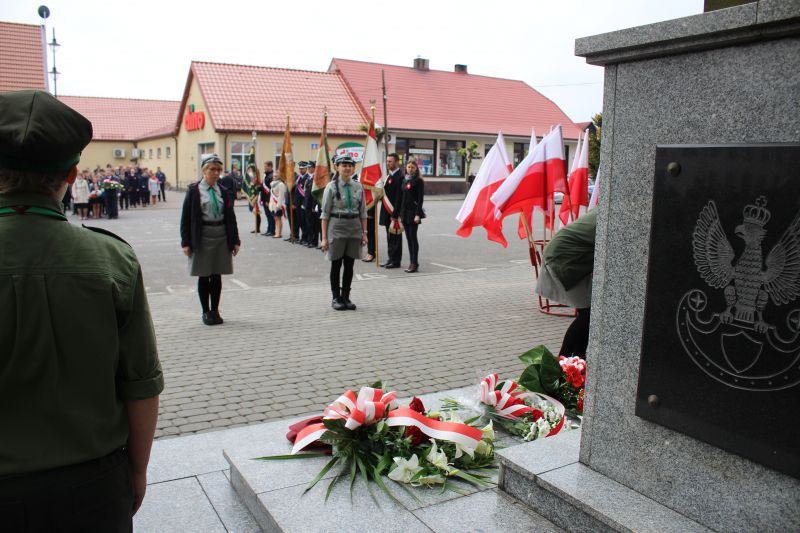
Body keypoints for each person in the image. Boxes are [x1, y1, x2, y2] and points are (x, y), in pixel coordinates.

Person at [0, 89, 163, 531]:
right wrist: (137, 470)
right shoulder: (111, 259)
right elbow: (141, 384)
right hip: (92, 488)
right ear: (72, 175)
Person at [180, 154, 240, 325]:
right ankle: (205, 311)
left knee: (216, 275)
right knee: (204, 274)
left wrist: (235, 241)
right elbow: (185, 218)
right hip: (203, 237)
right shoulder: (194, 191)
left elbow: (231, 217)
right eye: (212, 169)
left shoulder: (224, 191)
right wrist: (185, 242)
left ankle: (215, 310)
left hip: (221, 236)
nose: (215, 173)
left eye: (218, 170)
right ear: (204, 170)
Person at [536, 209, 597, 358]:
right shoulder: (612, 216)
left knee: (587, 313)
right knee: (588, 314)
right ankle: (562, 361)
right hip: (563, 260)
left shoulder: (605, 211)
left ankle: (578, 358)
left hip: (572, 258)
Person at [320, 155, 368, 310]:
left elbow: (363, 212)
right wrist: (324, 238)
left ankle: (346, 297)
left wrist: (364, 233)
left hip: (354, 227)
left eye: (350, 165)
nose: (347, 168)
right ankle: (336, 298)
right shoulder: (331, 187)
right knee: (336, 263)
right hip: (337, 226)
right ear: (337, 167)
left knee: (349, 264)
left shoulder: (358, 187)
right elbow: (325, 214)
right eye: (344, 165)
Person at [399, 158, 425, 273]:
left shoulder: (418, 181)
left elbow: (420, 199)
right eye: (408, 167)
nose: (410, 169)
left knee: (413, 237)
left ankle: (414, 263)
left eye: (412, 167)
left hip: (413, 213)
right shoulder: (405, 180)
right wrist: (400, 214)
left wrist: (418, 214)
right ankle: (411, 262)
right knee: (408, 238)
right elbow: (403, 198)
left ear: (416, 169)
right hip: (405, 213)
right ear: (406, 168)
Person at [380, 153, 404, 268]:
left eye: (390, 161)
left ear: (397, 162)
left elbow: (399, 197)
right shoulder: (389, 176)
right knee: (389, 237)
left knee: (396, 238)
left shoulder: (400, 177)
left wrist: (395, 214)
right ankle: (390, 258)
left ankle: (396, 260)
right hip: (387, 211)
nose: (388, 163)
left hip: (394, 213)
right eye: (387, 161)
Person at [269, 171, 287, 239]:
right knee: (276, 219)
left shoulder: (281, 184)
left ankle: (278, 233)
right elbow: (271, 195)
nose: (274, 177)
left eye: (276, 176)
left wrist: (278, 205)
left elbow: (281, 195)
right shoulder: (272, 183)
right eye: (273, 176)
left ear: (279, 176)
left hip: (277, 204)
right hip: (273, 204)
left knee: (278, 219)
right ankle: (278, 232)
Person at [261, 161, 274, 236]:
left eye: (265, 166)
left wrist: (268, 200)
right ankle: (269, 229)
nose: (264, 168)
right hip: (264, 198)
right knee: (268, 215)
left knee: (270, 216)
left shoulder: (271, 176)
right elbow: (262, 187)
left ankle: (272, 231)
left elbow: (270, 190)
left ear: (270, 166)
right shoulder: (266, 175)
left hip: (268, 199)